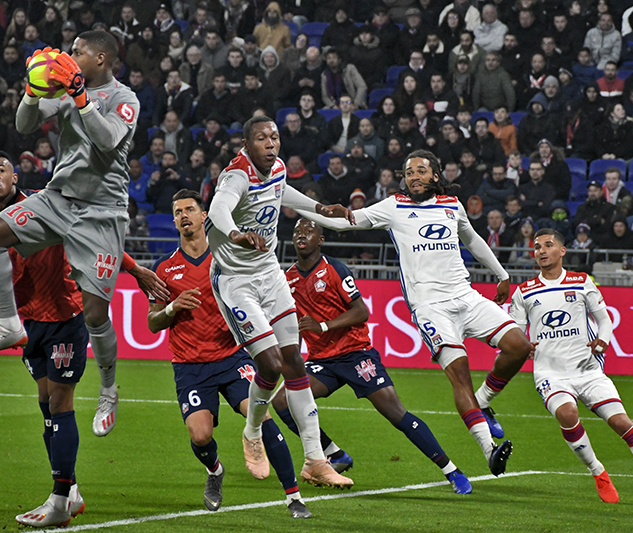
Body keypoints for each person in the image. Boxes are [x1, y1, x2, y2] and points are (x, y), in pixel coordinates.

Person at [295, 149, 534, 476]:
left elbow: (473, 238)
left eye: (421, 171)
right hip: (430, 308)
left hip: (465, 295)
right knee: (459, 375)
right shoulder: (394, 206)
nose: (414, 177)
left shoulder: (452, 206)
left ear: (435, 176)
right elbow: (346, 223)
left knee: (520, 345)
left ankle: (485, 399)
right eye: (409, 173)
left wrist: (501, 273)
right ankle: (489, 450)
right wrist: (297, 203)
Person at [0, 33, 161, 440]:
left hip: (102, 214)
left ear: (101, 57)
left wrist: (79, 96)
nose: (70, 56)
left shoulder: (124, 97)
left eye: (77, 52)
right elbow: (23, 126)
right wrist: (32, 89)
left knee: (94, 314)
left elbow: (109, 141)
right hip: (58, 199)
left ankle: (109, 387)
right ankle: (9, 323)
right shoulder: (63, 87)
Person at [0, 150, 163, 527]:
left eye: (1, 169)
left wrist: (134, 269)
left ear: (15, 177)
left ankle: (60, 500)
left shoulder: (41, 205)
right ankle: (70, 489)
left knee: (60, 403)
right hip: (31, 324)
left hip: (65, 315)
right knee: (46, 405)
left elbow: (92, 235)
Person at [272, 218, 473, 495]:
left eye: (310, 230)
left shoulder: (335, 270)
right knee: (283, 400)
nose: (302, 234)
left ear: (321, 240)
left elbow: (361, 311)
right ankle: (333, 453)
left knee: (395, 413)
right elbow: (291, 321)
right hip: (322, 361)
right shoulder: (289, 278)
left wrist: (322, 326)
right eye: (297, 231)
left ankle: (452, 471)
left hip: (356, 354)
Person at [206, 115, 355, 488]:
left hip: (269, 273)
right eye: (261, 138)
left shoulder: (277, 168)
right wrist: (237, 233)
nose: (271, 142)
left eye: (274, 136)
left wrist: (320, 209)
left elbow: (283, 192)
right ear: (247, 143)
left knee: (293, 361)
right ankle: (253, 431)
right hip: (236, 280)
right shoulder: (236, 174)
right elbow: (218, 210)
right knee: (270, 363)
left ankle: (315, 461)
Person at [146, 189, 312, 518]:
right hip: (190, 366)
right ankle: (215, 472)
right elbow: (152, 322)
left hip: (232, 357)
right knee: (200, 434)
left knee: (261, 414)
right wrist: (171, 309)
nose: (183, 216)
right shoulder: (164, 268)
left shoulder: (227, 258)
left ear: (204, 215)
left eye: (189, 209)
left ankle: (293, 497)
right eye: (177, 212)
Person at [511, 228, 633, 505]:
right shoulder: (524, 292)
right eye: (537, 247)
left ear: (562, 251)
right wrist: (522, 346)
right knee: (567, 414)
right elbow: (517, 333)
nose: (541, 251)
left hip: (587, 369)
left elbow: (604, 319)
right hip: (550, 373)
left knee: (620, 421)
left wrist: (603, 340)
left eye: (548, 245)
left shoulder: (581, 282)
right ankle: (598, 472)